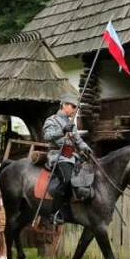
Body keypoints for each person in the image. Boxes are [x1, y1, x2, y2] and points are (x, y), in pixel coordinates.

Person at [42, 94, 93, 222]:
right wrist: (63, 131)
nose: (75, 109)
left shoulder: (72, 125)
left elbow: (78, 140)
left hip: (73, 156)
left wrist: (86, 148)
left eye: (76, 107)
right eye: (73, 106)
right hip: (58, 156)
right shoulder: (52, 120)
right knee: (67, 180)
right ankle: (54, 213)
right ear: (64, 105)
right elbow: (47, 136)